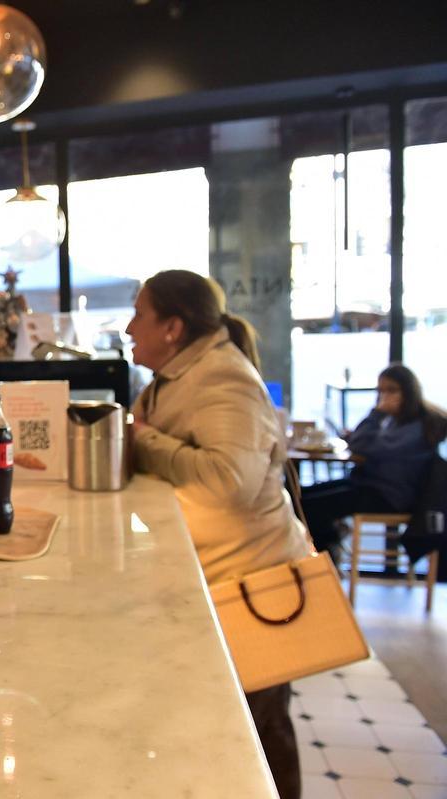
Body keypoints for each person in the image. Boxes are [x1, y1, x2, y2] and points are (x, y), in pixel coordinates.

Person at [126, 269, 308, 799]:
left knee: (260, 734)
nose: (130, 326)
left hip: (254, 586)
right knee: (234, 727)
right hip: (216, 580)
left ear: (173, 328)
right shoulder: (176, 375)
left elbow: (228, 484)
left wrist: (145, 440)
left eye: (140, 314)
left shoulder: (222, 377)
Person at [302, 364, 447, 555]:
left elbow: (361, 445)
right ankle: (331, 541)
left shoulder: (417, 427)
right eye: (381, 391)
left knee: (309, 507)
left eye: (391, 390)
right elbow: (362, 442)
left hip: (390, 496)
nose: (384, 397)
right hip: (371, 485)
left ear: (408, 391)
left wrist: (376, 414)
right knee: (301, 496)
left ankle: (328, 550)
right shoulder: (397, 421)